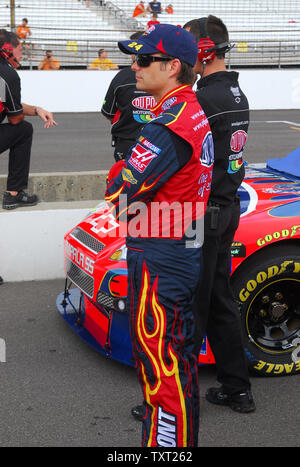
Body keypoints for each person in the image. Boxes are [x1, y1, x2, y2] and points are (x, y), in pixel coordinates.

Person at [105, 23, 214, 447]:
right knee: (176, 362)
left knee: (162, 368)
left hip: (161, 257)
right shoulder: (190, 109)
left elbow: (119, 198)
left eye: (143, 59)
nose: (134, 66)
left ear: (172, 67)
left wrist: (117, 172)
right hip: (181, 246)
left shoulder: (167, 124)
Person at [183, 15, 255, 413]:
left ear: (205, 50)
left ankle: (175, 401)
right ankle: (236, 387)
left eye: (188, 47)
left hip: (203, 214)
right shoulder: (236, 91)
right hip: (226, 209)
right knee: (220, 298)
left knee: (190, 305)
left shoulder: (203, 99)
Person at [0, 29, 57, 210]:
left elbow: (9, 103)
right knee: (24, 130)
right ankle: (13, 194)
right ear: (8, 49)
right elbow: (15, 118)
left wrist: (36, 109)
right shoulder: (7, 75)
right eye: (20, 49)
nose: (22, 53)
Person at [101, 32, 156, 162]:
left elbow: (108, 112)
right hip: (158, 143)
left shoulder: (121, 77)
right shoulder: (164, 76)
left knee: (124, 181)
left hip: (126, 143)